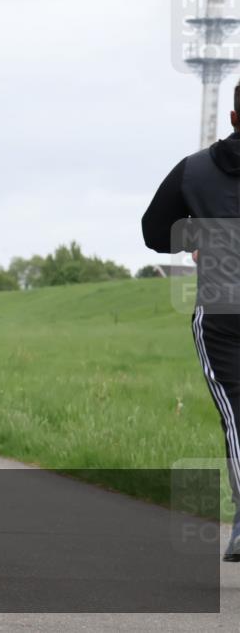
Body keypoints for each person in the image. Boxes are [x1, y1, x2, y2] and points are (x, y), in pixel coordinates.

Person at [143, 80, 240, 562]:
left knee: (237, 414)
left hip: (221, 307)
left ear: (233, 118)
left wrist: (200, 234)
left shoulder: (193, 169)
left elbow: (154, 231)